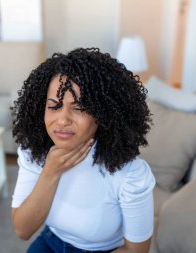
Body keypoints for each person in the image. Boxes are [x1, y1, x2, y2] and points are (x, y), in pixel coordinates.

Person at [11, 47, 155, 253]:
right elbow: (22, 230)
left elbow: (137, 251)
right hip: (50, 242)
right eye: (54, 106)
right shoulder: (34, 151)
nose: (62, 120)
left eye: (78, 108)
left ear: (102, 114)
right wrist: (51, 172)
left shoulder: (130, 174)